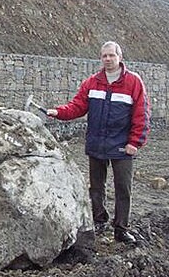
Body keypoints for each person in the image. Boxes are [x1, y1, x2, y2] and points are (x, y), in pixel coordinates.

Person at [46, 41, 151, 244]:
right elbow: (77, 106)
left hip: (122, 146)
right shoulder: (92, 82)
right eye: (104, 56)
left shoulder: (133, 82)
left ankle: (121, 229)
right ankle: (99, 220)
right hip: (96, 144)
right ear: (100, 59)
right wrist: (58, 112)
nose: (108, 59)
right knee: (96, 187)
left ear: (120, 57)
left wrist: (135, 142)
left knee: (123, 188)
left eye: (111, 55)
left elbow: (142, 115)